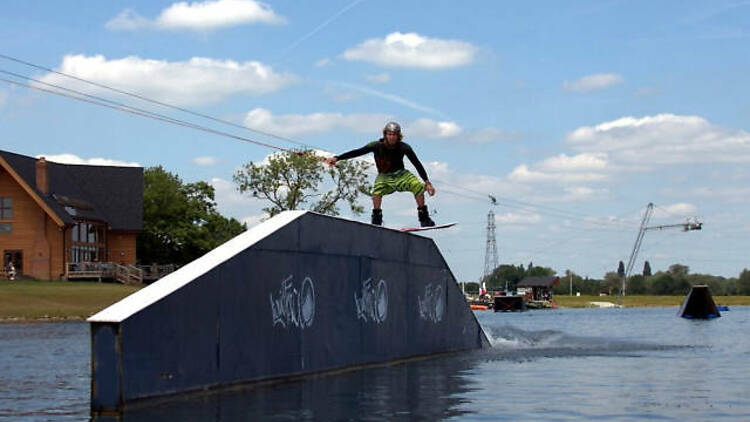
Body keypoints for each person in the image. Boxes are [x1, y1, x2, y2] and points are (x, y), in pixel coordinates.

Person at [326, 121, 436, 227]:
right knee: (376, 192)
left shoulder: (404, 147)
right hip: (384, 176)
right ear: (385, 135)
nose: (392, 137)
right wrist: (337, 158)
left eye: (394, 135)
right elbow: (357, 152)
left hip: (401, 174)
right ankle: (376, 220)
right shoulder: (376, 145)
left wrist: (427, 182)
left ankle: (424, 218)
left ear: (398, 136)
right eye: (389, 134)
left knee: (416, 185)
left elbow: (417, 163)